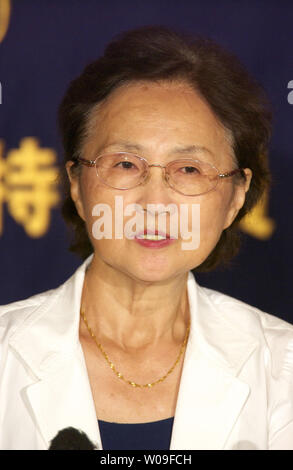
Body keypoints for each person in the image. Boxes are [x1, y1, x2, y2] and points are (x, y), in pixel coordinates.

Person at [1, 26, 293, 451]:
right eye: (125, 164)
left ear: (236, 197)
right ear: (78, 185)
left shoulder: (283, 367)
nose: (155, 203)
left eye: (189, 169)